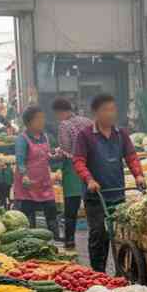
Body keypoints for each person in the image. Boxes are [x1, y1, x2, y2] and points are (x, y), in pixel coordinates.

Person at [73, 93, 145, 273]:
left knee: (121, 234)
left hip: (117, 193)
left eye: (113, 109)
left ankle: (123, 271)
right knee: (99, 233)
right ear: (96, 112)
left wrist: (138, 175)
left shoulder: (121, 134)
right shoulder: (85, 135)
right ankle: (98, 273)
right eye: (106, 110)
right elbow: (79, 161)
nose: (111, 114)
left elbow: (131, 157)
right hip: (95, 195)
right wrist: (89, 180)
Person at [53, 97, 92, 249]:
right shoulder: (87, 121)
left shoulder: (64, 125)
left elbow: (66, 151)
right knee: (92, 205)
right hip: (91, 167)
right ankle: (95, 239)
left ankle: (69, 240)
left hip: (74, 168)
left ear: (60, 112)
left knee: (71, 208)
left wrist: (54, 155)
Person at [12, 105, 58, 236]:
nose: (42, 121)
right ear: (29, 122)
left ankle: (55, 237)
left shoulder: (45, 137)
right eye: (38, 118)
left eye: (42, 118)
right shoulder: (22, 139)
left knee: (51, 209)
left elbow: (47, 154)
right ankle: (31, 237)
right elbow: (20, 159)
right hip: (28, 183)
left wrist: (54, 155)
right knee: (28, 213)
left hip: (44, 182)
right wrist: (24, 175)